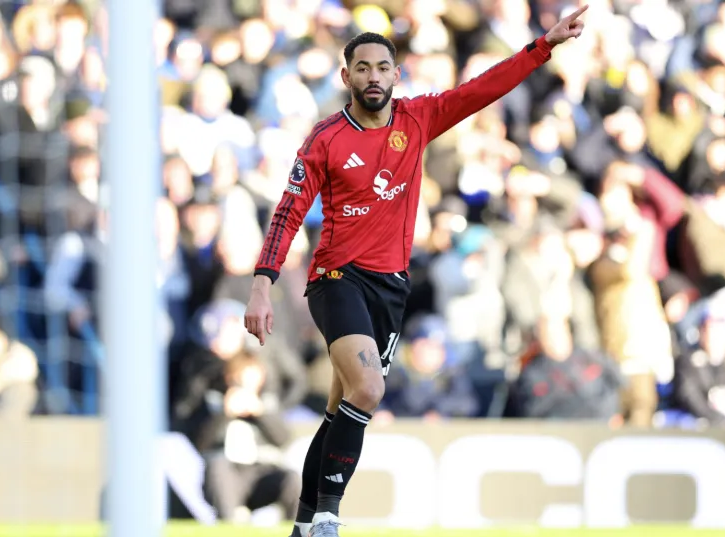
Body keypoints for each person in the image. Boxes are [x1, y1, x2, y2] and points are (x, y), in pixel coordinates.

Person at [243, 8, 590, 537]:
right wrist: (262, 285)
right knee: (369, 387)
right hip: (336, 279)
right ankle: (330, 518)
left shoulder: (418, 119)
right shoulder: (325, 139)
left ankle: (303, 525)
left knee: (342, 407)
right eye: (362, 68)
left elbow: (484, 89)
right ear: (347, 77)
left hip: (391, 288)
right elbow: (289, 210)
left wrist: (543, 46)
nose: (373, 76)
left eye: (383, 67)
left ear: (396, 75)